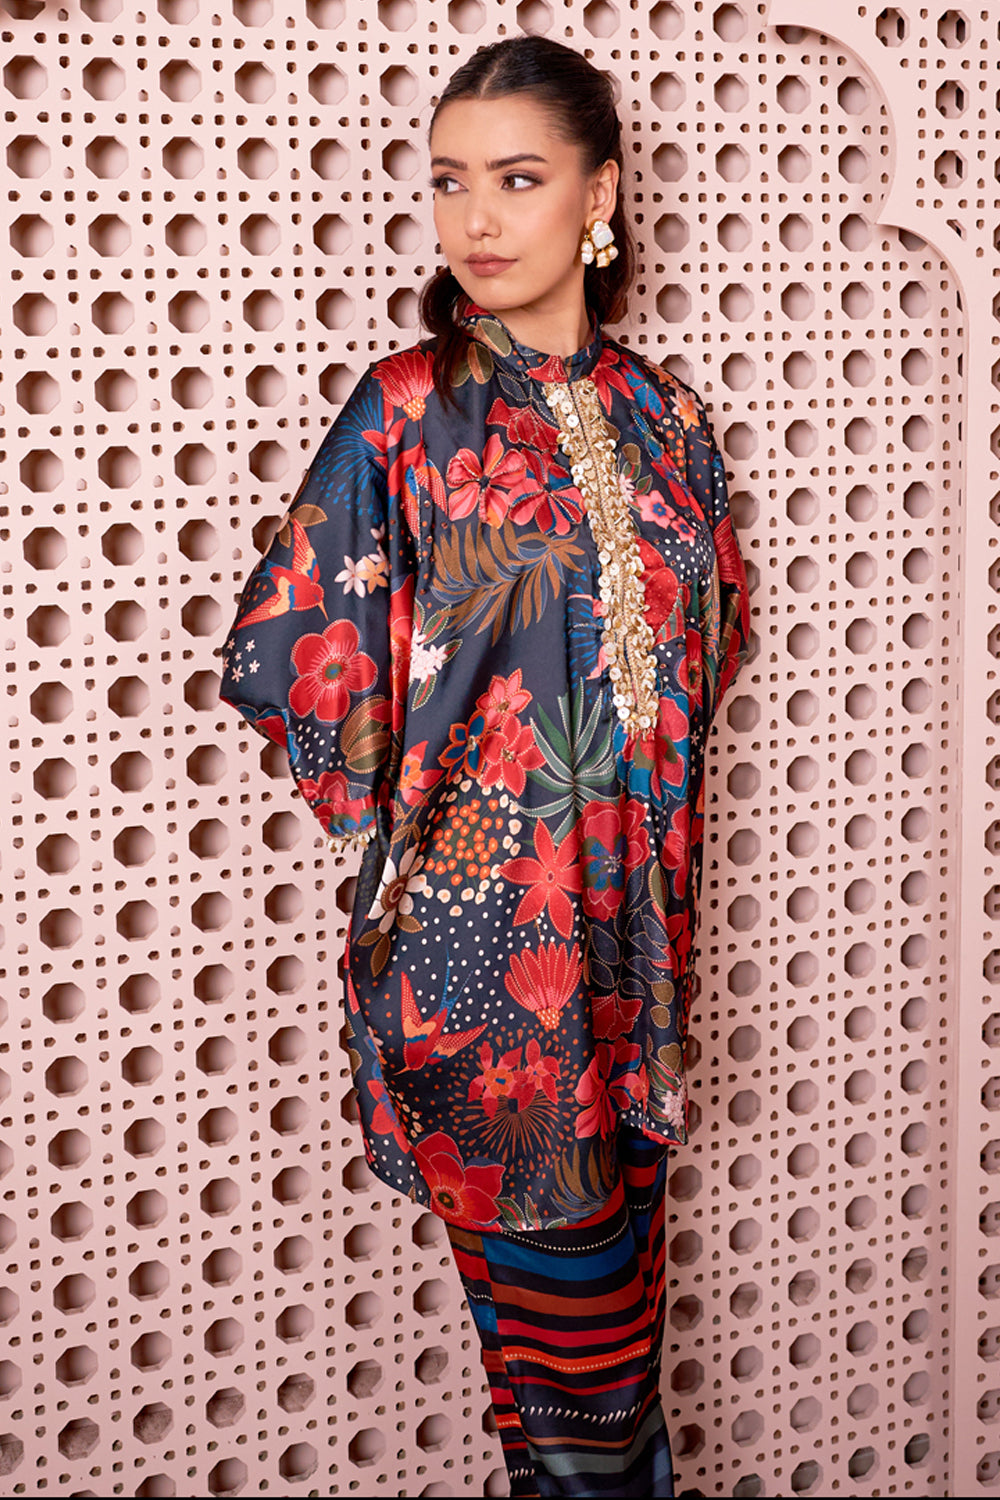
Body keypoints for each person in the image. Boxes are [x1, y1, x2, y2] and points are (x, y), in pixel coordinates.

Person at [219, 34, 750, 1499]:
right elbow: (292, 656)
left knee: (578, 1407)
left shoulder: (671, 424)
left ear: (601, 195)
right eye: (450, 183)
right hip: (485, 984)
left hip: (639, 967)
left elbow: (699, 662)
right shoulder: (405, 413)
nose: (474, 220)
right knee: (595, 1427)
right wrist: (458, 791)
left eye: (516, 180)